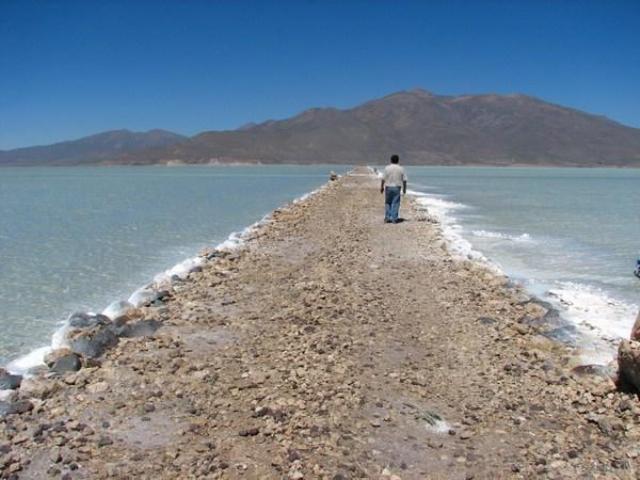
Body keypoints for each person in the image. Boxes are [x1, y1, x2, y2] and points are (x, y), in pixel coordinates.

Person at [380, 154, 407, 223]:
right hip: (397, 187)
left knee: (388, 202)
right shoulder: (401, 168)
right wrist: (404, 189)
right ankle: (394, 218)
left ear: (391, 160)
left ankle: (387, 217)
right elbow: (404, 180)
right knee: (396, 203)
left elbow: (383, 179)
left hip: (388, 187)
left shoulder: (387, 168)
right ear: (398, 160)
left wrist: (382, 187)